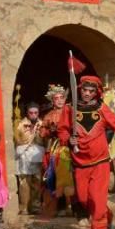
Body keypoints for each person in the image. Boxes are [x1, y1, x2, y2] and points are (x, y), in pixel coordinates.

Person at [58, 75, 115, 229]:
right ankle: (106, 215)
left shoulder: (101, 108)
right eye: (84, 90)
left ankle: (99, 228)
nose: (87, 94)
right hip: (79, 162)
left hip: (100, 161)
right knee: (83, 199)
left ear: (96, 92)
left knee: (97, 196)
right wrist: (68, 139)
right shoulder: (69, 109)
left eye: (91, 91)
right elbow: (62, 130)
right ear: (79, 90)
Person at [38, 84, 77, 218]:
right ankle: (61, 206)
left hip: (72, 145)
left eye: (62, 97)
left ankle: (76, 205)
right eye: (56, 98)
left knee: (75, 175)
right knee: (56, 176)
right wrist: (50, 130)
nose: (60, 100)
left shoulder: (73, 111)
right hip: (57, 148)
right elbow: (42, 133)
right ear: (52, 101)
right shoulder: (49, 115)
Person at [13, 102, 45, 215]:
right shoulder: (19, 124)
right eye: (31, 112)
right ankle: (24, 207)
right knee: (24, 182)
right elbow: (16, 140)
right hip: (24, 156)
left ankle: (35, 206)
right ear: (27, 113)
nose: (33, 115)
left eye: (35, 112)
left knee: (37, 181)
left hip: (38, 155)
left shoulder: (43, 124)